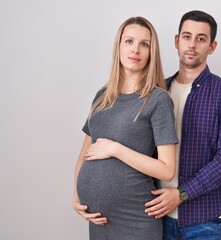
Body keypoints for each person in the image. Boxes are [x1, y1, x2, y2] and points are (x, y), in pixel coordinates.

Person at [72, 16, 178, 240]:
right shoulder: (102, 97)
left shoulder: (157, 100)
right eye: (129, 41)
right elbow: (85, 153)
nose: (136, 50)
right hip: (99, 221)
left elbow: (167, 169)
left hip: (135, 219)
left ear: (151, 52)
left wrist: (116, 149)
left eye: (144, 44)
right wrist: (76, 195)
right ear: (118, 46)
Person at [144, 10, 221, 239]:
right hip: (156, 216)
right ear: (176, 40)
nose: (192, 44)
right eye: (186, 36)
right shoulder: (157, 92)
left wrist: (181, 194)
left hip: (205, 220)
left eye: (201, 39)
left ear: (212, 46)